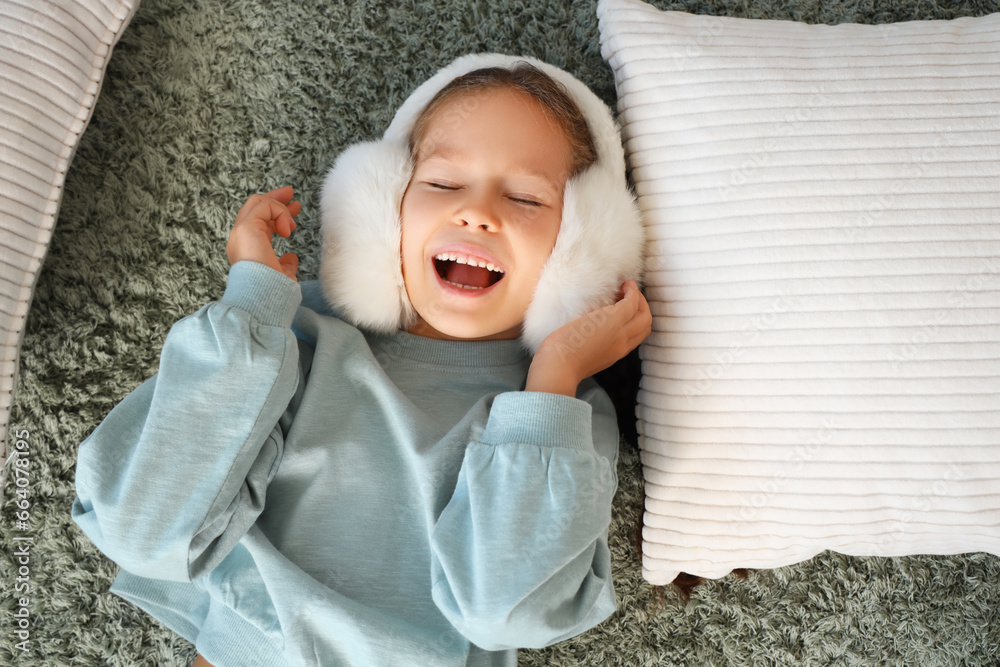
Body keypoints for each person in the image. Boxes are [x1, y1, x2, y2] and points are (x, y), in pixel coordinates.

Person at [72, 54, 649, 667]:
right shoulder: (294, 336)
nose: (477, 212)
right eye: (444, 183)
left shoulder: (563, 414)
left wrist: (552, 385)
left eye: (526, 197)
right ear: (381, 208)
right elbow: (143, 530)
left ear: (585, 245)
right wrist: (249, 305)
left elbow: (505, 611)